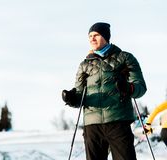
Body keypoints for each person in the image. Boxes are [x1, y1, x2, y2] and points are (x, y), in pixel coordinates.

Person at [62, 22, 147, 160]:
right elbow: (79, 96)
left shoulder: (125, 58)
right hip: (92, 126)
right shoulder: (85, 65)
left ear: (106, 37)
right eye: (90, 36)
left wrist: (128, 88)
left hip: (118, 121)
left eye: (96, 35)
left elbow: (140, 87)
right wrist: (72, 98)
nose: (92, 39)